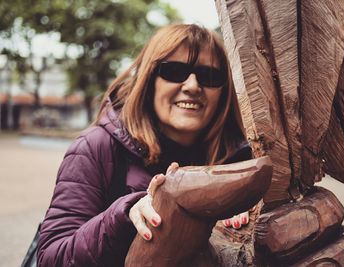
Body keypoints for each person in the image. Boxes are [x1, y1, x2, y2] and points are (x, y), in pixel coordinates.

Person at [37, 24, 253, 266]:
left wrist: (245, 217)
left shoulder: (246, 160)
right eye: (174, 71)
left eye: (209, 76)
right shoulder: (95, 147)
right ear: (149, 80)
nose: (192, 86)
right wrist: (122, 217)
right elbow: (50, 257)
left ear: (224, 90)